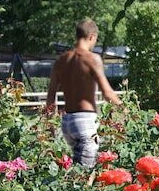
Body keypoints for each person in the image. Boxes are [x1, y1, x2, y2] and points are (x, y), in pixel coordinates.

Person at [44, 19, 122, 167]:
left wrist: (50, 125)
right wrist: (126, 108)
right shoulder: (92, 59)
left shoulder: (61, 61)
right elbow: (107, 93)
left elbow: (50, 97)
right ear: (92, 36)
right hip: (85, 121)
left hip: (67, 123)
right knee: (85, 174)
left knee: (74, 169)